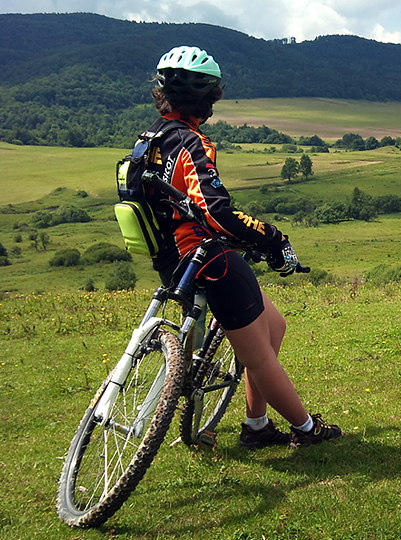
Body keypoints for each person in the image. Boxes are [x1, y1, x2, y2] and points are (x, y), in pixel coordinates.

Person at [146, 45, 341, 448]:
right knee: (259, 356)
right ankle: (307, 430)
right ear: (210, 98)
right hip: (208, 260)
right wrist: (273, 239)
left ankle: (256, 426)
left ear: (162, 93)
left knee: (275, 325)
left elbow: (175, 206)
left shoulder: (151, 142)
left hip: (173, 261)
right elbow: (216, 211)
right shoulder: (191, 144)